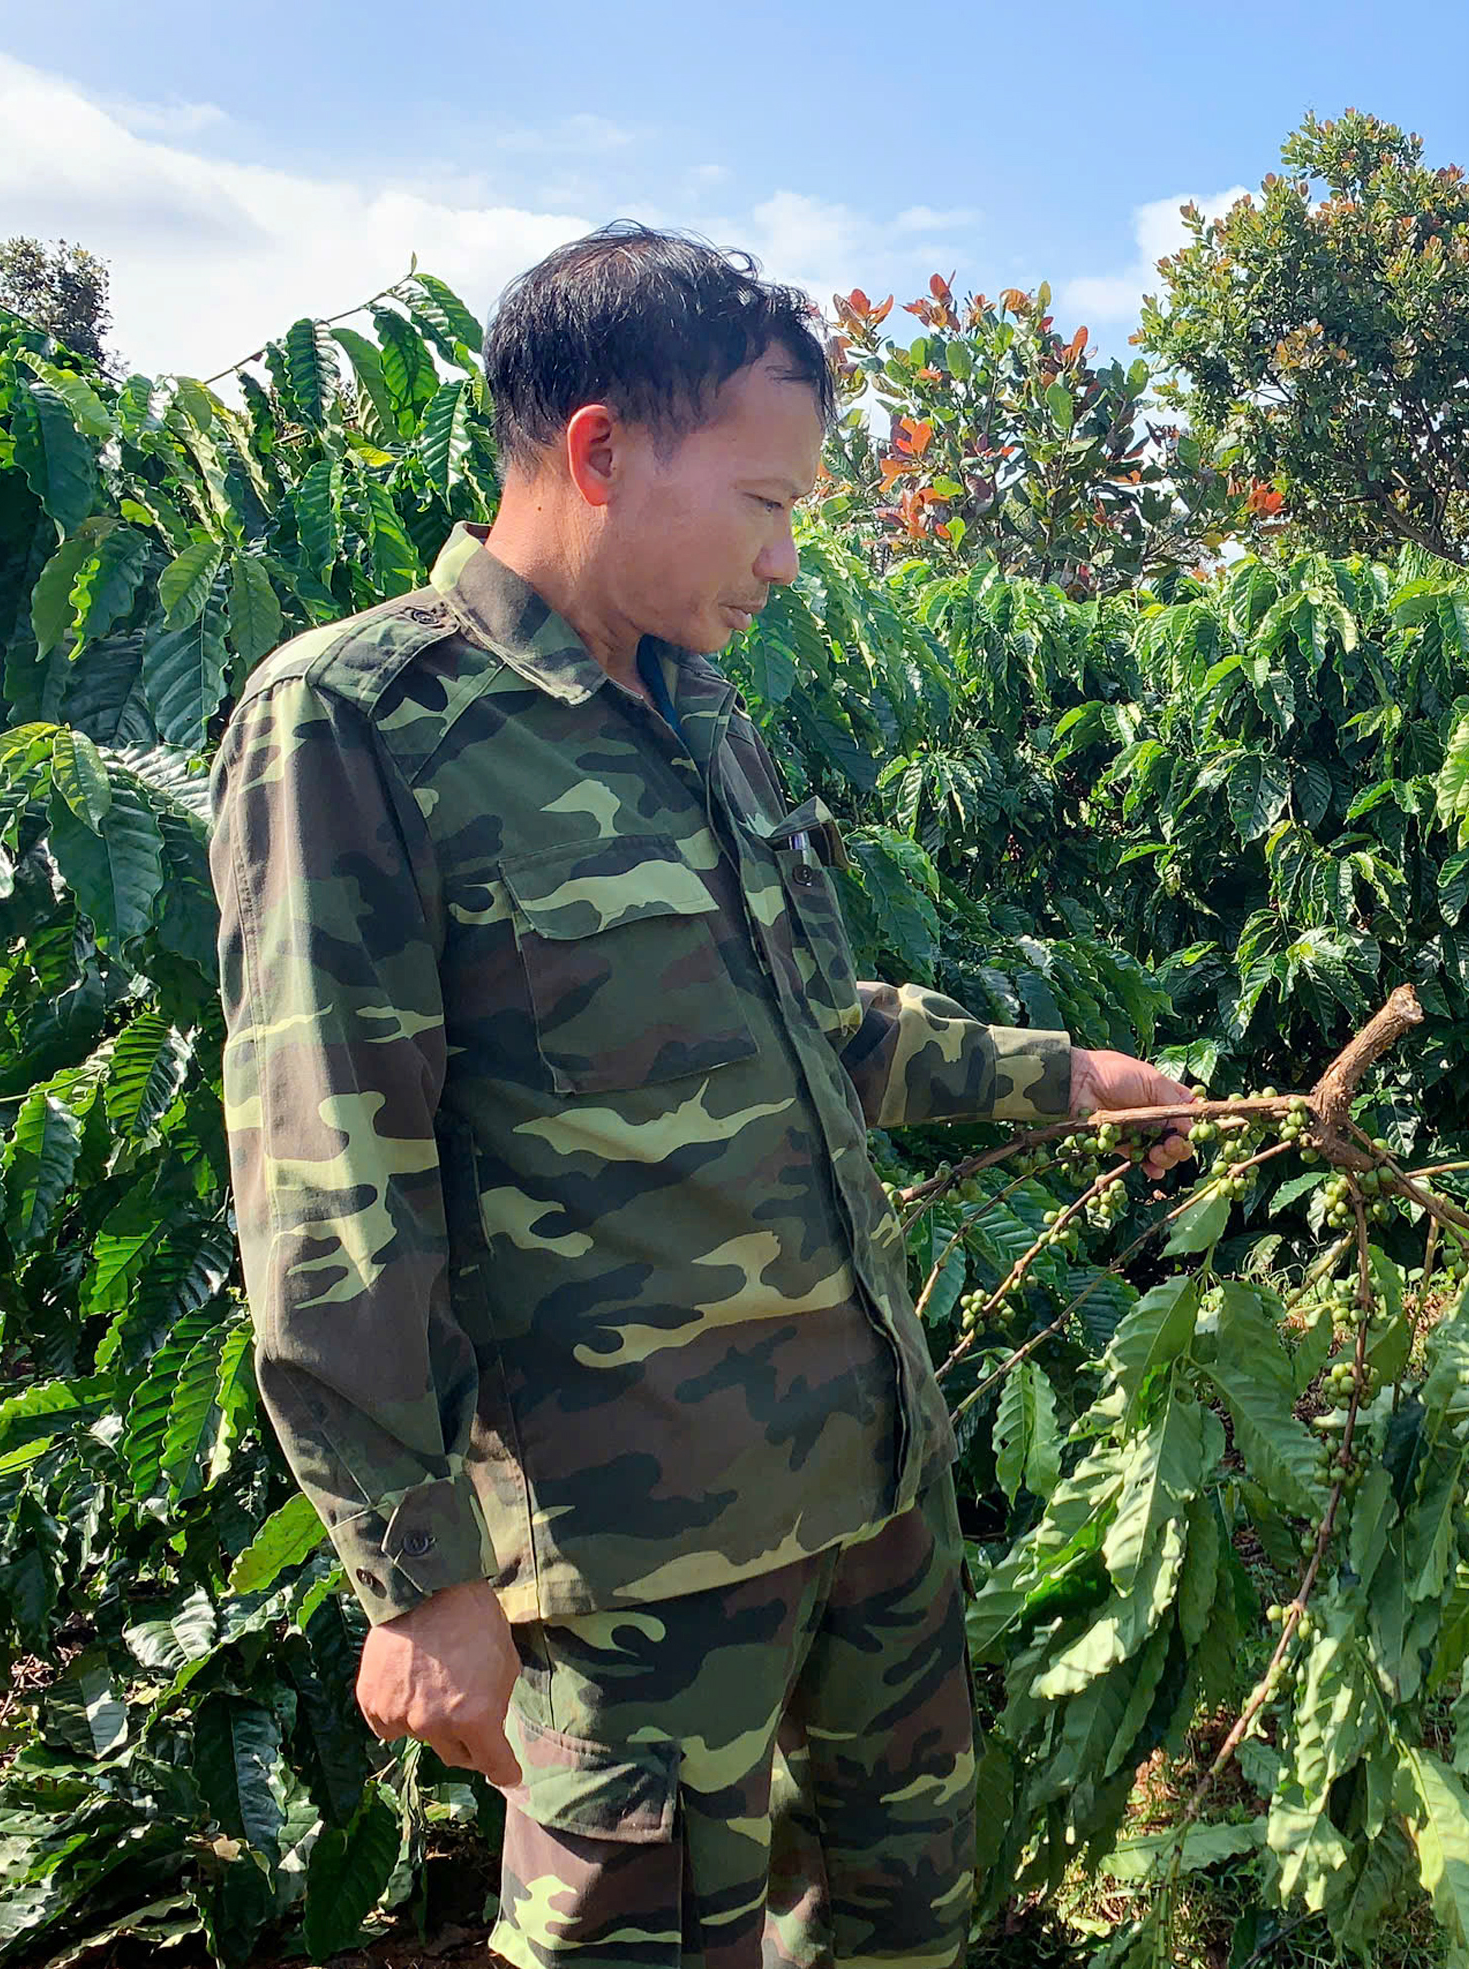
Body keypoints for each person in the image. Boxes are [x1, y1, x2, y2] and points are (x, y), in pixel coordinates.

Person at [208, 222, 1198, 1969]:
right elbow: (331, 1168)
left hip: (868, 1492)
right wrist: (417, 1567)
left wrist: (1073, 1075)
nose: (790, 555)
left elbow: (831, 1025)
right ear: (599, 452)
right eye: (764, 502)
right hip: (639, 1560)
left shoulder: (699, 711)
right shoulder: (361, 720)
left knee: (896, 1927)